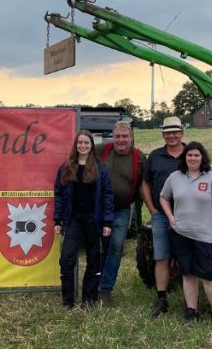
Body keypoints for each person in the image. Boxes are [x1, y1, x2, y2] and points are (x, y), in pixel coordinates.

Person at [159, 141, 212, 323]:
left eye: (197, 155)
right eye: (189, 155)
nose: (193, 158)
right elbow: (163, 197)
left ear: (202, 157)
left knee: (208, 276)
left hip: (205, 235)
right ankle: (191, 311)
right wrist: (171, 218)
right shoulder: (174, 177)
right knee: (188, 275)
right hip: (180, 234)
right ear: (184, 157)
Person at [53, 130, 115, 309]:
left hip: (93, 221)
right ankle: (68, 301)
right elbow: (58, 194)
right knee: (66, 260)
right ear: (76, 145)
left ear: (91, 146)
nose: (83, 146)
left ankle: (89, 299)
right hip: (73, 220)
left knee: (93, 259)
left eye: (86, 143)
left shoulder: (100, 168)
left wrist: (107, 222)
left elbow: (107, 196)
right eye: (80, 143)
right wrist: (57, 219)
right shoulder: (66, 167)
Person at [96, 121, 145, 305]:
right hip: (100, 209)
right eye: (117, 136)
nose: (121, 140)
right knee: (102, 248)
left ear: (131, 138)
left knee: (116, 248)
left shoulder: (138, 157)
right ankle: (96, 285)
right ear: (112, 137)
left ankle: (106, 289)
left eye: (125, 136)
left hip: (122, 210)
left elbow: (145, 183)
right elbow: (80, 154)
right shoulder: (102, 150)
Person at [141, 116, 186, 318]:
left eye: (175, 132)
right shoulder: (156, 156)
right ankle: (162, 299)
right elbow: (145, 183)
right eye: (168, 133)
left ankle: (190, 302)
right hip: (161, 216)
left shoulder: (191, 154)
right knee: (161, 257)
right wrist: (152, 208)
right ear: (163, 135)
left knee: (186, 256)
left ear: (182, 133)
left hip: (187, 216)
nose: (172, 136)